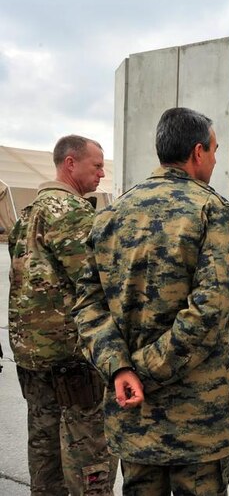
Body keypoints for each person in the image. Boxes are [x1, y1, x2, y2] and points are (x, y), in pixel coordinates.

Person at [73, 107, 229, 495]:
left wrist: (122, 369)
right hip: (196, 421)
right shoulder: (210, 209)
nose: (215, 160)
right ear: (198, 152)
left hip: (133, 413)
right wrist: (142, 369)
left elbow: (87, 305)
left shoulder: (111, 214)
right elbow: (209, 309)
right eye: (214, 151)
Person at [7, 135, 116, 495]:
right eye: (96, 165)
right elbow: (97, 282)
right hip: (72, 359)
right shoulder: (70, 212)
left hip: (32, 356)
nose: (102, 173)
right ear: (70, 163)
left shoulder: (28, 214)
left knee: (44, 449)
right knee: (89, 454)